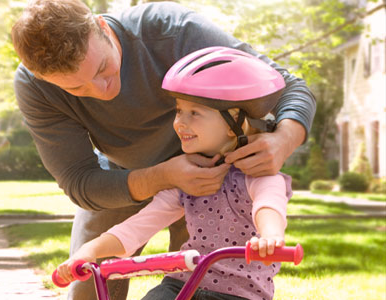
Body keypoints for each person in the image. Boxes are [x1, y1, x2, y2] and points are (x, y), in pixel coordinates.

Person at [11, 1, 315, 299]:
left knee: (208, 279)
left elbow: (289, 88)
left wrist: (284, 139)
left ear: (102, 27)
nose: (101, 90)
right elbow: (79, 181)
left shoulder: (172, 31)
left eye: (103, 68)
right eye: (76, 89)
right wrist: (164, 177)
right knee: (88, 283)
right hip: (123, 177)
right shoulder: (34, 86)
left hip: (217, 172)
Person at [56, 46, 293, 300]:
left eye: (195, 113)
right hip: (182, 284)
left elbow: (269, 206)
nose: (180, 122)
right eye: (179, 111)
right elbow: (138, 227)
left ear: (234, 122)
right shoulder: (189, 179)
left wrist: (270, 237)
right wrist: (90, 250)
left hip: (240, 293)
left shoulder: (259, 175)